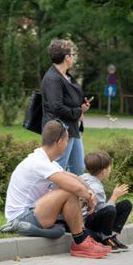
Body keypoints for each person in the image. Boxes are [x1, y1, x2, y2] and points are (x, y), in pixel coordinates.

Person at [0, 120, 108, 258]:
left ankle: (83, 237)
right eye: (67, 141)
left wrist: (89, 190)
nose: (67, 145)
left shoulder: (47, 161)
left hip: (32, 213)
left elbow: (75, 178)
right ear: (59, 141)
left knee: (61, 225)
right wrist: (89, 198)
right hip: (22, 216)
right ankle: (80, 241)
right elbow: (73, 186)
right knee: (69, 191)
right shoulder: (39, 162)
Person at [41, 38, 90, 175]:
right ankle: (52, 196)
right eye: (72, 55)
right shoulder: (52, 78)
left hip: (72, 128)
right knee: (57, 168)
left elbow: (70, 100)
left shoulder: (66, 76)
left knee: (78, 169)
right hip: (59, 130)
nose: (73, 58)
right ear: (67, 57)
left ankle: (72, 196)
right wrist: (78, 112)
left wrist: (81, 107)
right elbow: (56, 107)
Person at [79, 150, 133, 253]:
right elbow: (104, 211)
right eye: (109, 167)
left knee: (126, 204)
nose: (110, 169)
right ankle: (105, 238)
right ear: (104, 171)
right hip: (87, 223)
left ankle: (112, 236)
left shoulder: (85, 177)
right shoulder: (96, 188)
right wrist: (114, 197)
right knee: (110, 210)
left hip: (92, 216)